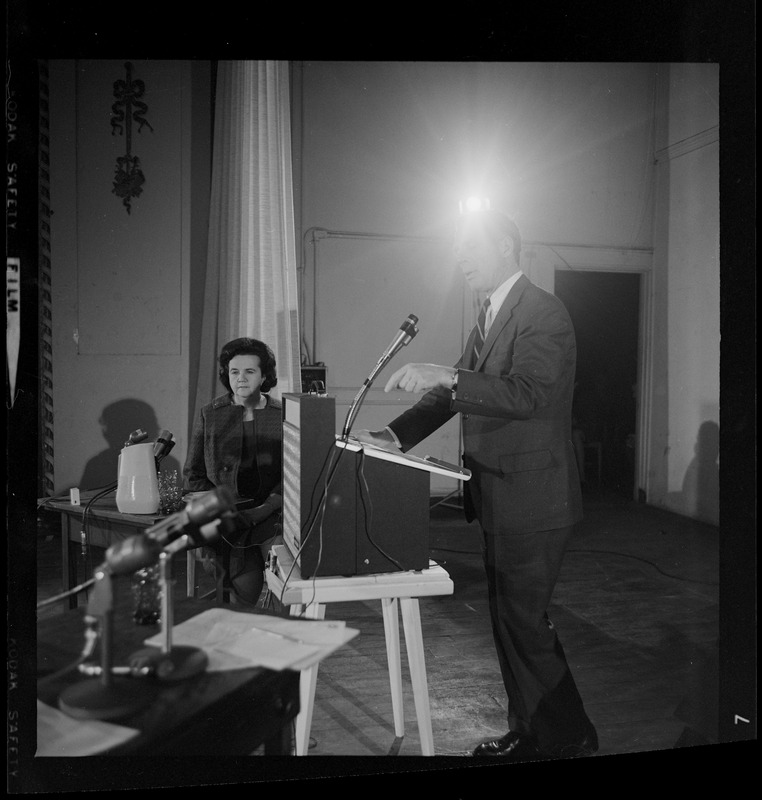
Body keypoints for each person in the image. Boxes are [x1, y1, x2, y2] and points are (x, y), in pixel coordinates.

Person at [355, 209, 598, 761]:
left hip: (534, 498)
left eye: (472, 247)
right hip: (500, 495)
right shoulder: (490, 316)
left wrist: (450, 373)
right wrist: (396, 435)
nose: (462, 259)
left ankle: (567, 737)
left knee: (524, 622)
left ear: (508, 245)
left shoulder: (543, 312)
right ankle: (536, 730)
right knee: (510, 621)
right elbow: (451, 396)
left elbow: (529, 392)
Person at [183, 337, 283, 606]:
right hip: (231, 522)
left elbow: (294, 475)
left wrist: (265, 509)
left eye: (250, 371)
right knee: (242, 593)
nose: (240, 378)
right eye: (234, 371)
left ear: (264, 376)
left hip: (272, 515)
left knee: (285, 581)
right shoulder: (211, 414)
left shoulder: (282, 415)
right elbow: (193, 475)